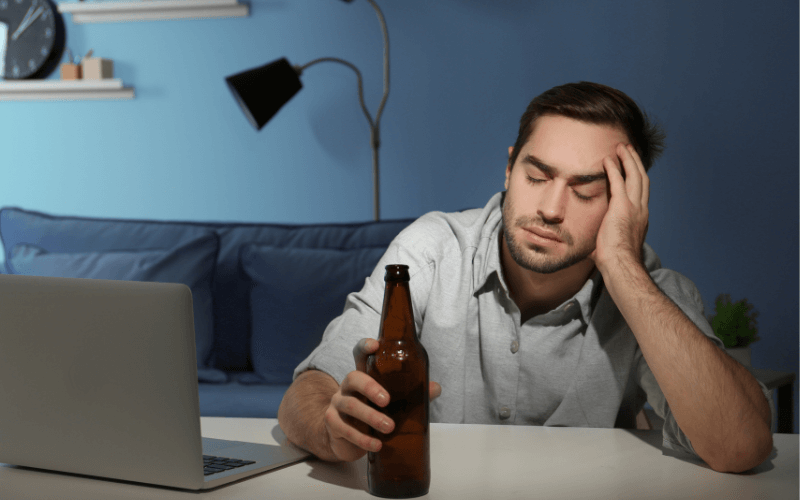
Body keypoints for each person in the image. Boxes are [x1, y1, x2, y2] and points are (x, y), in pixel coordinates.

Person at [278, 82, 774, 473]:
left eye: (585, 191)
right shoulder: (431, 249)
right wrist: (332, 426)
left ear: (625, 204)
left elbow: (743, 447)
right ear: (510, 168)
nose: (550, 209)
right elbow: (307, 392)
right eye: (537, 176)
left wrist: (622, 264)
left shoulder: (653, 290)